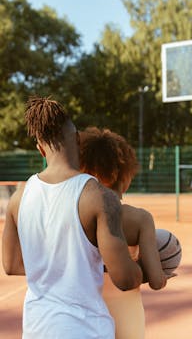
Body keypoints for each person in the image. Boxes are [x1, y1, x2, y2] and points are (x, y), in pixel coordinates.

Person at [2, 97, 143, 339]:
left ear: (41, 149)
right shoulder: (98, 196)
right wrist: (150, 265)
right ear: (78, 139)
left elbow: (11, 265)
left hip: (35, 330)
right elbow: (125, 279)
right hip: (85, 330)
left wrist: (58, 268)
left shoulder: (19, 197)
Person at [79, 127, 169, 339]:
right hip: (126, 316)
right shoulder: (140, 219)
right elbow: (156, 281)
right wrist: (165, 270)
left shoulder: (74, 216)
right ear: (124, 174)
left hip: (83, 315)